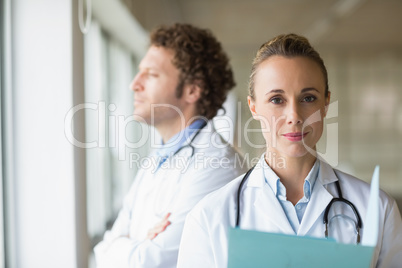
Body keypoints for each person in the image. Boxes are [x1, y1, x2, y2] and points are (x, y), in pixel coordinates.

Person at [177, 34, 402, 268]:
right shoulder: (209, 216)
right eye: (276, 100)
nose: (294, 116)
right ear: (254, 107)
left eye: (308, 98)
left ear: (325, 104)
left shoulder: (377, 208)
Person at [94, 23, 246, 267]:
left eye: (151, 74)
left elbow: (154, 262)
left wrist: (127, 243)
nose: (135, 83)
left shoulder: (219, 166)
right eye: (139, 71)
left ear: (192, 90)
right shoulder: (158, 158)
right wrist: (137, 244)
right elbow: (102, 251)